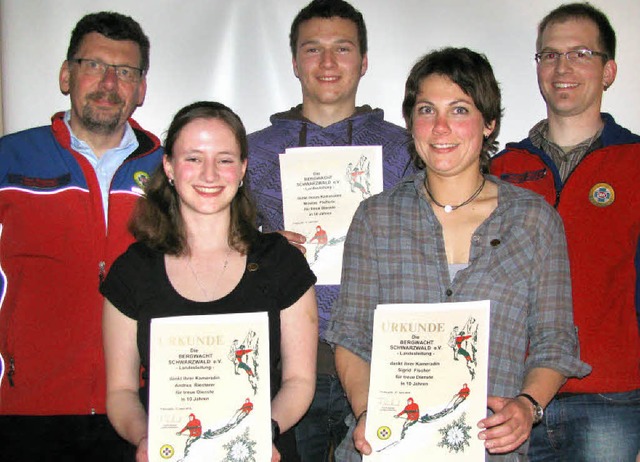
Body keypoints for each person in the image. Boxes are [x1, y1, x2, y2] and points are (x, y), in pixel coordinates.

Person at [324, 47, 591, 461]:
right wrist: (366, 412)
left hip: (490, 451)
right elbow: (352, 336)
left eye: (460, 110)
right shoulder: (374, 217)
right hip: (383, 447)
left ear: (489, 123)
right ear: (411, 121)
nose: (441, 127)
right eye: (427, 110)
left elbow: (554, 342)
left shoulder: (534, 221)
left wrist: (528, 406)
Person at [100, 101, 318, 462]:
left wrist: (264, 432)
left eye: (225, 159)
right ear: (169, 167)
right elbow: (121, 391)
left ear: (243, 168)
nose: (210, 174)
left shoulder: (281, 262)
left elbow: (300, 382)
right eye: (193, 158)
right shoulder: (133, 271)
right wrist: (146, 438)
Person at [247, 1, 415, 459]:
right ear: (295, 62)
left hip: (386, 359)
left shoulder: (407, 149)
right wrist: (256, 249)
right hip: (288, 360)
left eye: (341, 49)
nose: (327, 63)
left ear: (363, 61)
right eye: (312, 49)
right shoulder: (252, 153)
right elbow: (215, 252)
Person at [0, 11, 161, 461]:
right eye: (93, 65)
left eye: (125, 72)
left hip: (141, 410)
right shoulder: (8, 159)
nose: (109, 83)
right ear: (66, 75)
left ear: (141, 88)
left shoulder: (172, 170)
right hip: (25, 405)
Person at [490, 3, 640, 460]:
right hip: (507, 400)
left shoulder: (635, 163)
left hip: (610, 399)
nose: (562, 68)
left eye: (580, 53)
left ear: (608, 70)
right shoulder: (500, 169)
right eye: (549, 55)